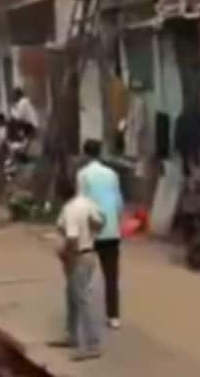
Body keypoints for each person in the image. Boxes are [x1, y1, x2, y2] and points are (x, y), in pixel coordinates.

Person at [50, 175, 104, 362]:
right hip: (88, 254)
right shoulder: (87, 203)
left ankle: (92, 345)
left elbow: (72, 239)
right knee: (72, 297)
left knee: (81, 301)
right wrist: (90, 232)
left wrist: (68, 261)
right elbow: (101, 222)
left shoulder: (70, 210)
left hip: (78, 258)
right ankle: (72, 335)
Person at [76, 139, 124, 330]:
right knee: (111, 276)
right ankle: (114, 316)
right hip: (111, 229)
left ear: (85, 154)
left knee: (84, 273)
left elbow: (81, 202)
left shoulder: (83, 174)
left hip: (91, 230)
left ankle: (82, 311)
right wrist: (116, 223)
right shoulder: (112, 174)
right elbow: (118, 203)